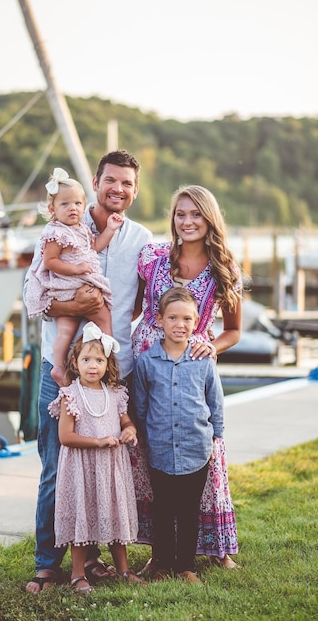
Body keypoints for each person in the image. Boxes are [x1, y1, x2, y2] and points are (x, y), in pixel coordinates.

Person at [24, 150, 152, 594]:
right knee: (57, 465)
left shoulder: (142, 238)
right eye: (111, 180)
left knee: (105, 465)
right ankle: (47, 563)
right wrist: (74, 306)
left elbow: (145, 303)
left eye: (127, 184)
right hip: (59, 369)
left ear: (135, 190)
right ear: (96, 181)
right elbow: (32, 295)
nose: (118, 189)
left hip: (116, 372)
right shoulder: (63, 226)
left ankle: (94, 560)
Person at [132, 184, 242, 573]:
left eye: (196, 214)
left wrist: (213, 347)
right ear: (173, 218)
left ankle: (214, 547)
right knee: (150, 457)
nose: (188, 221)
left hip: (193, 366)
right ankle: (157, 552)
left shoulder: (222, 270)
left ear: (209, 218)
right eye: (181, 214)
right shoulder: (153, 258)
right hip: (148, 363)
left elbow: (232, 330)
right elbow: (134, 307)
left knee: (203, 457)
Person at [134, 287, 225, 584]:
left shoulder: (203, 362)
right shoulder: (146, 363)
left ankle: (186, 566)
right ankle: (161, 563)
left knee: (189, 511)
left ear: (196, 322)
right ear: (159, 320)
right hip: (160, 449)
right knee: (161, 508)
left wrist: (215, 440)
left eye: (187, 318)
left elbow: (216, 403)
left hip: (196, 448)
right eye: (173, 317)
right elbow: (141, 406)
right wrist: (147, 440)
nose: (179, 324)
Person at [49, 322, 144, 593]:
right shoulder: (71, 395)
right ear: (75, 363)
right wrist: (98, 441)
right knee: (83, 517)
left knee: (114, 515)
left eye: (99, 360)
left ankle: (123, 569)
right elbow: (65, 436)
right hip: (82, 469)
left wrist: (130, 431)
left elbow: (127, 422)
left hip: (111, 469)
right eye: (86, 359)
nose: (93, 365)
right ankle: (78, 574)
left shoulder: (115, 394)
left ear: (108, 363)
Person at [25, 168, 123, 386]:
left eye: (78, 204)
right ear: (52, 209)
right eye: (65, 204)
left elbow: (95, 246)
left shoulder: (81, 229)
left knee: (68, 330)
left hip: (75, 285)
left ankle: (67, 367)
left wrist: (110, 229)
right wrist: (78, 269)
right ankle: (103, 359)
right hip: (66, 285)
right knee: (102, 319)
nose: (73, 209)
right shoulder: (55, 232)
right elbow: (51, 262)